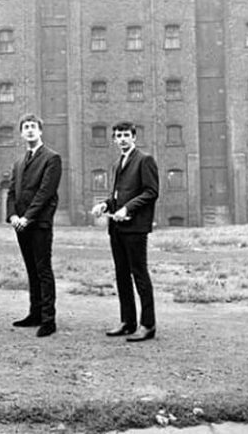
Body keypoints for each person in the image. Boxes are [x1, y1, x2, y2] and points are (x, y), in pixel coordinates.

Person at [91, 121, 159, 342]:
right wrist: (105, 205)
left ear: (134, 137)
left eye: (126, 135)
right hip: (117, 229)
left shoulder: (144, 160)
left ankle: (147, 325)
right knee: (121, 275)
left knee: (139, 274)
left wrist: (127, 208)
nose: (122, 139)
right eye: (118, 135)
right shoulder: (118, 163)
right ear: (114, 139)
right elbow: (118, 196)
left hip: (135, 227)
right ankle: (127, 322)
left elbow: (151, 192)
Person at [6, 113, 62, 338]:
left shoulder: (52, 158)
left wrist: (27, 217)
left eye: (33, 127)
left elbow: (45, 193)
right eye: (26, 127)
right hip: (20, 224)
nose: (29, 130)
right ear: (21, 133)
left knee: (43, 269)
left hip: (38, 224)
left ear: (40, 131)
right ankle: (34, 313)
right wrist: (12, 216)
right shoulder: (19, 162)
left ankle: (49, 319)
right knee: (31, 270)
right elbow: (12, 192)